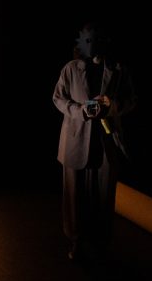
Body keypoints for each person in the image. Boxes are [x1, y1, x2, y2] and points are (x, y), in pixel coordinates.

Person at [52, 21, 137, 262]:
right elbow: (58, 98)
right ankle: (76, 240)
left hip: (105, 141)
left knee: (103, 195)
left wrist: (112, 106)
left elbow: (131, 99)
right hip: (75, 139)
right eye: (88, 40)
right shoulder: (70, 69)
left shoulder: (117, 69)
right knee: (74, 194)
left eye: (97, 40)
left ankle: (101, 243)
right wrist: (79, 110)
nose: (92, 45)